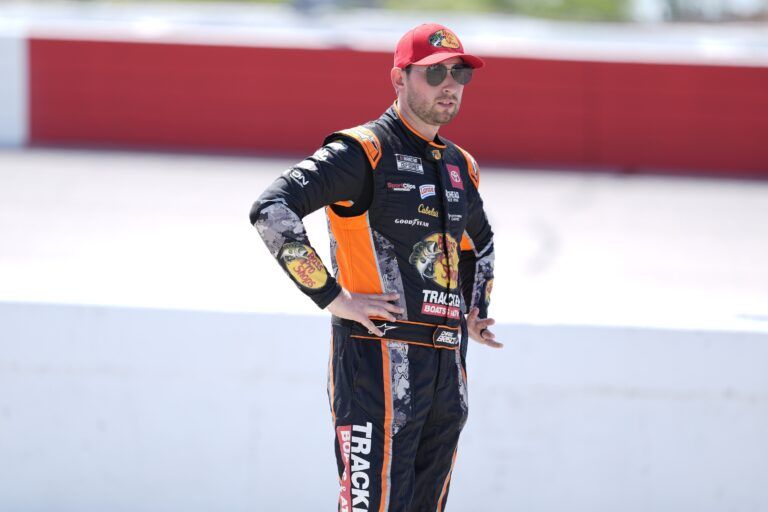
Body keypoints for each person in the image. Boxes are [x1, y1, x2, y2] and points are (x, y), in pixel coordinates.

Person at [250, 22, 500, 511]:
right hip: (375, 364)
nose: (450, 84)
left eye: (460, 74)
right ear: (398, 78)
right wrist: (332, 297)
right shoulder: (362, 150)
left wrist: (476, 309)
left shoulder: (460, 165)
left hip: (447, 372)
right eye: (435, 73)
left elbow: (481, 244)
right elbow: (271, 210)